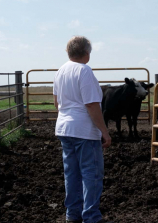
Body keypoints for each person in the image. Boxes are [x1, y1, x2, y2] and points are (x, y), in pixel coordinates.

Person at [53, 36, 112, 223]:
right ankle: (92, 217)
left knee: (71, 173)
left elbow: (57, 103)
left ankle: (72, 214)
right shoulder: (84, 71)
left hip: (64, 128)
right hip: (84, 131)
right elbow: (92, 105)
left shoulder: (60, 71)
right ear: (87, 53)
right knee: (91, 173)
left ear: (69, 52)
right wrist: (104, 131)